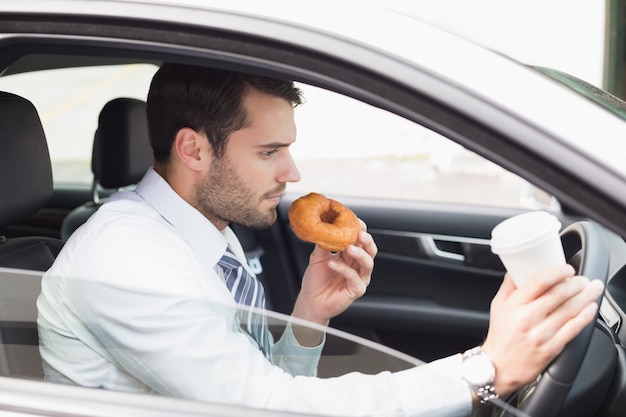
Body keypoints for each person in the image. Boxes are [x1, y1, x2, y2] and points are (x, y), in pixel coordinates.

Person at [37, 63, 605, 417]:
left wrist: (310, 315)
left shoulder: (203, 232)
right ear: (193, 150)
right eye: (269, 152)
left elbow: (257, 384)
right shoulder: (126, 259)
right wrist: (487, 369)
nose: (293, 174)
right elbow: (269, 408)